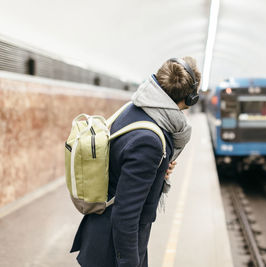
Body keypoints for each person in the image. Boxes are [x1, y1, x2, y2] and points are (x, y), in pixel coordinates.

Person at [70, 57, 201, 267]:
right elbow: (125, 216)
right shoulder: (149, 141)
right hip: (113, 251)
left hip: (105, 237)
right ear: (191, 97)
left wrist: (160, 171)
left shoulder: (135, 108)